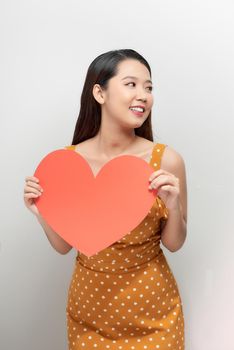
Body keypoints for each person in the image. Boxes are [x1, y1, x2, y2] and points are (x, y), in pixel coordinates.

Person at [24, 49, 187, 349]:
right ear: (99, 92)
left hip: (154, 314)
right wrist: (40, 212)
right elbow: (64, 246)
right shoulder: (67, 162)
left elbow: (174, 243)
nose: (143, 95)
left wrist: (173, 205)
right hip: (89, 314)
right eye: (131, 84)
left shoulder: (165, 160)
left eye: (149, 87)